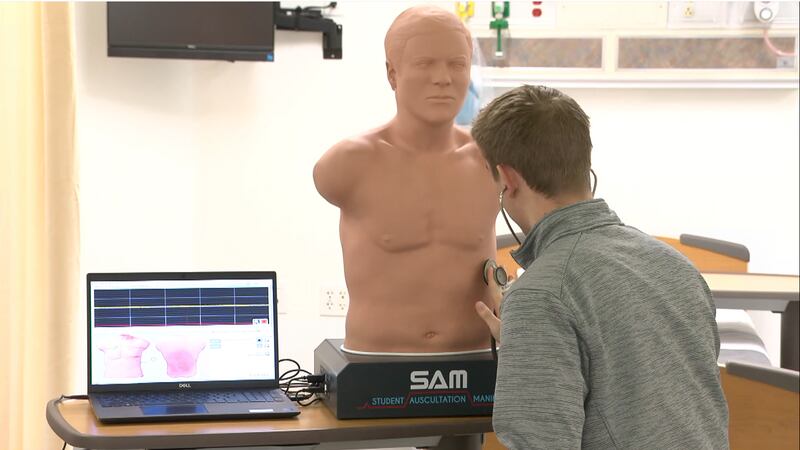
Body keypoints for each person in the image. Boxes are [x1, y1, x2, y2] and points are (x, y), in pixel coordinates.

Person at [472, 85, 729, 449]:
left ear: (508, 179)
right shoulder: (675, 266)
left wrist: (534, 321)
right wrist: (533, 345)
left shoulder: (542, 296)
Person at [313, 5, 498, 354]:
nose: (443, 78)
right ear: (392, 74)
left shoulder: (492, 162)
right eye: (425, 64)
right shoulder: (347, 164)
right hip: (375, 361)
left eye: (457, 64)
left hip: (475, 363)